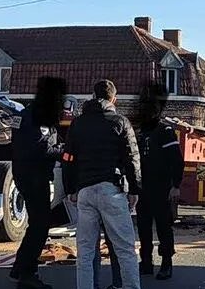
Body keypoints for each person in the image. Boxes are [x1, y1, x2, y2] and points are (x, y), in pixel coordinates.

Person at [63, 79, 142, 289]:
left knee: (86, 252)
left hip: (85, 191)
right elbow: (132, 158)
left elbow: (68, 158)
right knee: (125, 249)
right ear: (113, 99)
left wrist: (71, 188)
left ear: (92, 96)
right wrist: (134, 189)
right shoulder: (120, 122)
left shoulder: (78, 123)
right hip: (111, 190)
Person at [10, 76, 67, 289]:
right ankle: (27, 273)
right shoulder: (38, 117)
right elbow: (42, 149)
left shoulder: (25, 113)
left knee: (36, 224)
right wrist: (66, 152)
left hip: (24, 175)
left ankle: (20, 267)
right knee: (40, 226)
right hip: (35, 177)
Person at [133, 82, 183, 280]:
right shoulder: (138, 133)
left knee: (163, 227)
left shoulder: (165, 132)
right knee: (144, 227)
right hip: (142, 187)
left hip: (162, 187)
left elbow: (176, 160)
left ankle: (166, 263)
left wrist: (176, 185)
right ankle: (146, 262)